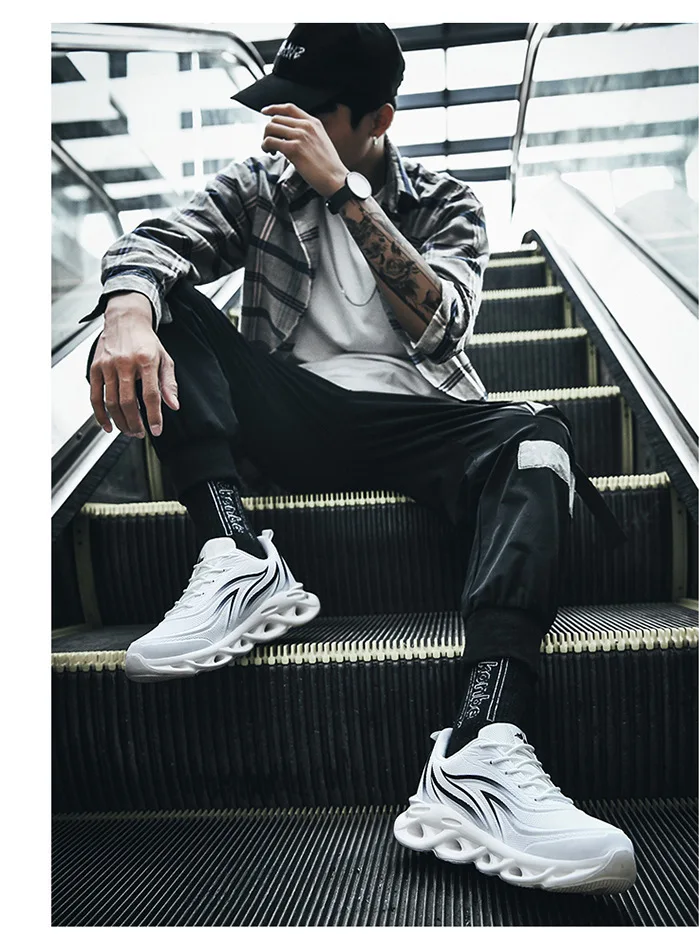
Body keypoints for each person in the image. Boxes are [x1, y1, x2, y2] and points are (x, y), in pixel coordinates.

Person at [81, 23, 636, 895]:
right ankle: (237, 555)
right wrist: (127, 313)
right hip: (295, 418)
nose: (282, 126)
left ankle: (481, 744)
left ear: (378, 118)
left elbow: (443, 324)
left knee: (539, 434)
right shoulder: (259, 187)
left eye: (310, 111)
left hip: (420, 422)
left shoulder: (447, 202)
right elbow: (156, 240)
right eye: (278, 104)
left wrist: (346, 194)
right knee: (161, 299)